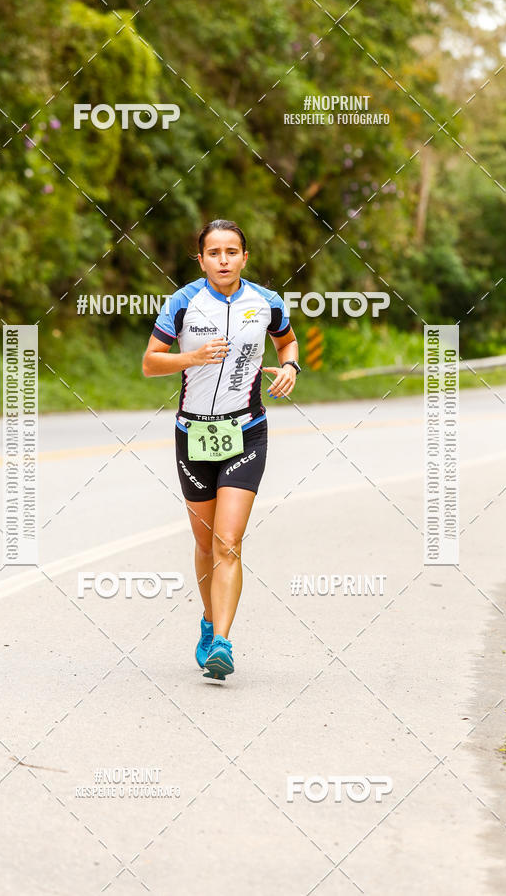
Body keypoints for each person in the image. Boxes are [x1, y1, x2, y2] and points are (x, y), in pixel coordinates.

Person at [142, 219, 300, 680]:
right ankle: (209, 621)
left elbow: (286, 340)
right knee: (205, 542)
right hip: (193, 434)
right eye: (214, 253)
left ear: (245, 257)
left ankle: (224, 644)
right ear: (201, 259)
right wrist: (190, 358)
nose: (224, 260)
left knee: (228, 541)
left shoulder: (266, 302)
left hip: (246, 431)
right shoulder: (183, 302)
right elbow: (151, 363)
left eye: (232, 252)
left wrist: (291, 365)